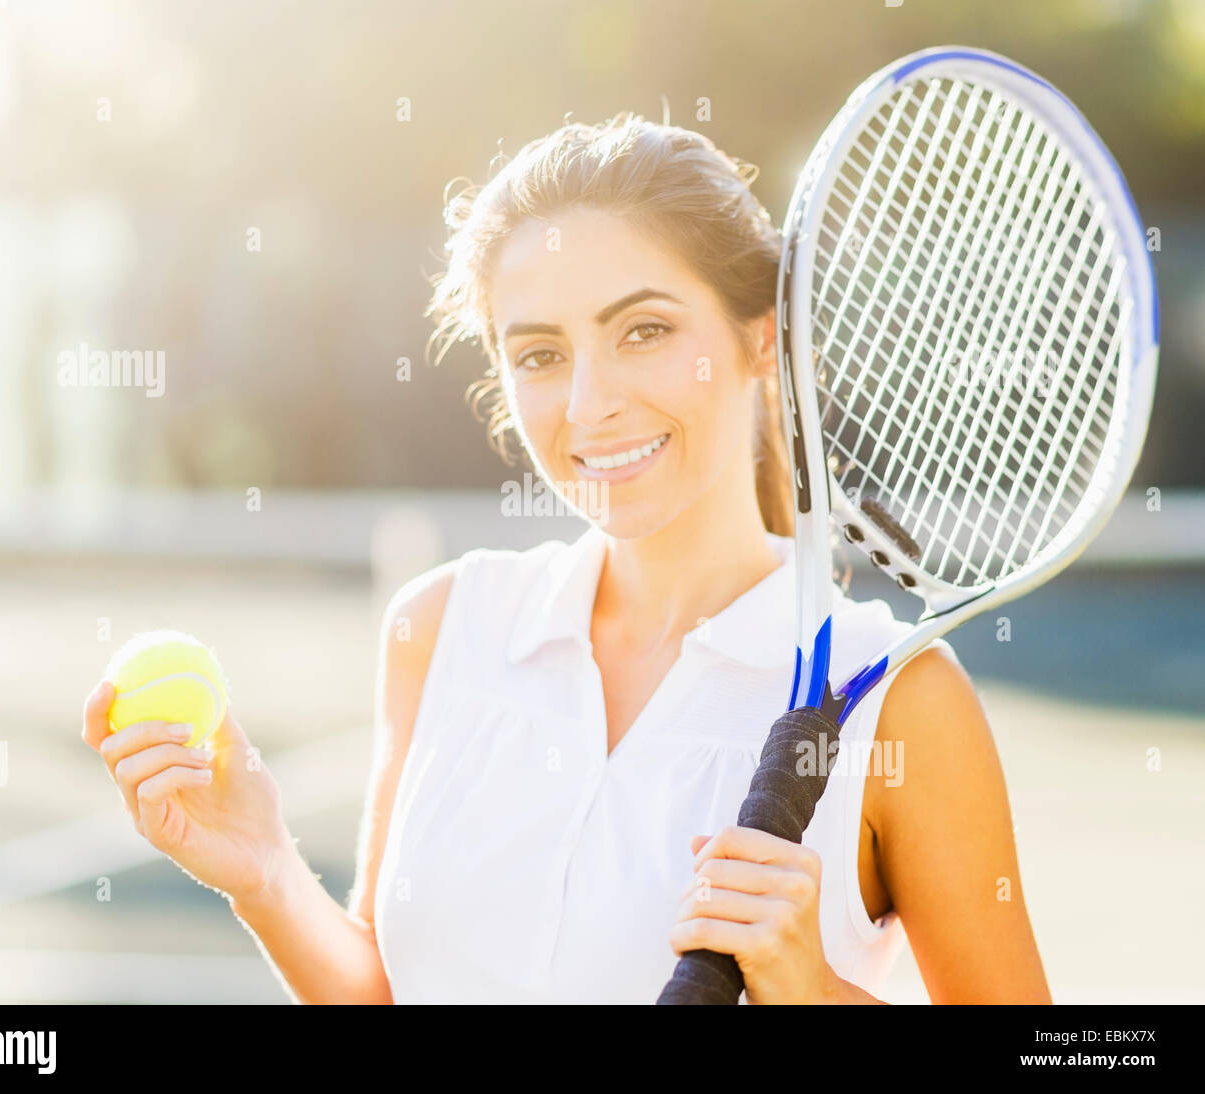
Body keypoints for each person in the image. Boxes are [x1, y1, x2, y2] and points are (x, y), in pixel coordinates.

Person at [82, 113, 1050, 1004]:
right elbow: (385, 989)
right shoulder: (439, 627)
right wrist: (265, 871)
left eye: (645, 330)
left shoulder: (898, 698)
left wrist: (814, 990)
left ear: (762, 340)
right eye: (540, 353)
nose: (589, 403)